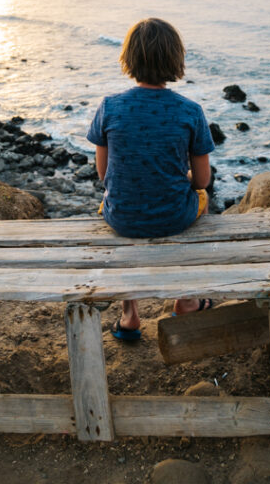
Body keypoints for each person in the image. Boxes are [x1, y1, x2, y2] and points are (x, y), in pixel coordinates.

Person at [87, 17, 215, 342]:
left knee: (112, 201)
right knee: (203, 201)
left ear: (129, 60)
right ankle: (186, 299)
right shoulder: (191, 111)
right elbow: (201, 181)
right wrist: (182, 175)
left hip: (122, 218)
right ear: (176, 59)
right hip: (174, 217)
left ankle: (130, 315)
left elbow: (105, 176)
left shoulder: (110, 107)